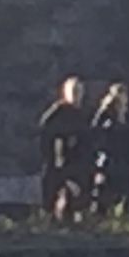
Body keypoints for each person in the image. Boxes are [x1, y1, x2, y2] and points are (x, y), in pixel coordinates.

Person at [38, 76, 91, 219]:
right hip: (59, 158)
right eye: (73, 91)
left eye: (78, 91)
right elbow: (45, 128)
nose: (76, 95)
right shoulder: (59, 111)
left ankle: (72, 216)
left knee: (76, 191)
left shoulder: (83, 113)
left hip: (78, 159)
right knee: (55, 188)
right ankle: (50, 216)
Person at [90, 82, 129, 214]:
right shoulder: (105, 114)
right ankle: (99, 213)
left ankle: (124, 212)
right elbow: (95, 129)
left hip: (125, 157)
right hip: (107, 155)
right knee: (103, 186)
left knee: (125, 187)